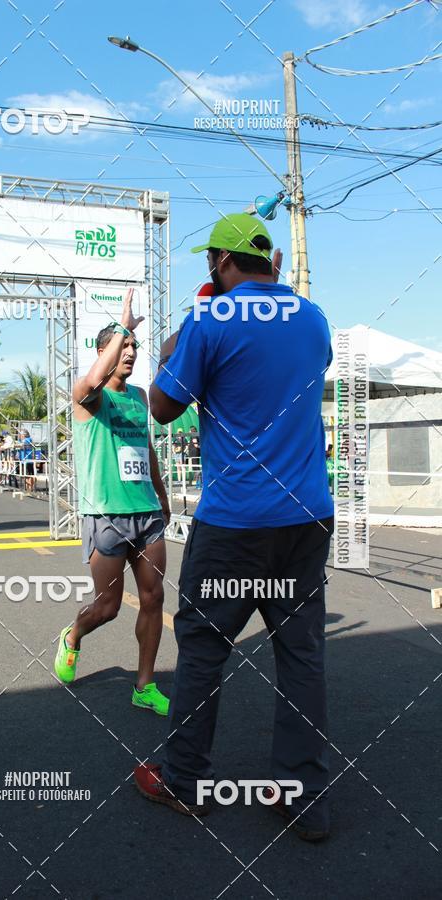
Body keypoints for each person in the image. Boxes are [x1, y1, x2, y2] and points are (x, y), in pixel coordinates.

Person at [134, 213, 335, 841]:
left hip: (235, 520)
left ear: (220, 263)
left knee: (201, 647)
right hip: (306, 514)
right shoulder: (313, 316)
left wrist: (173, 348)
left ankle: (185, 779)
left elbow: (164, 408)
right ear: (270, 261)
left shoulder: (206, 320)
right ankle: (300, 796)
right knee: (300, 651)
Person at [54, 289, 171, 716]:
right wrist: (123, 326)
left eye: (135, 347)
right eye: (123, 347)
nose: (131, 352)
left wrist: (161, 495)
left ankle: (144, 685)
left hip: (146, 514)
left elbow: (146, 448)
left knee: (154, 597)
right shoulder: (89, 398)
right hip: (106, 516)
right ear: (103, 352)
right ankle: (73, 636)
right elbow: (89, 382)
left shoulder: (139, 397)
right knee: (107, 607)